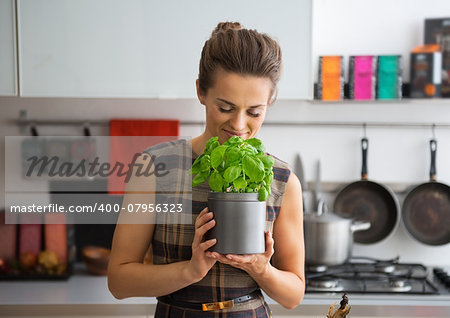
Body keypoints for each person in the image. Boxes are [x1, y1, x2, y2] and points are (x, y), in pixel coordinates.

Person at [107, 21, 305, 317]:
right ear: (201, 91)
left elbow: (293, 294)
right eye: (225, 108)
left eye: (254, 112)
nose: (239, 125)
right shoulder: (155, 167)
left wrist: (261, 269)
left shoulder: (281, 180)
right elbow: (119, 281)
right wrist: (190, 270)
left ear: (269, 102)